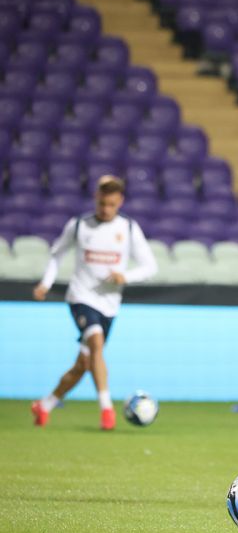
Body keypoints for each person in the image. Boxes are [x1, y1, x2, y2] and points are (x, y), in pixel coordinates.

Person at [30, 175, 157, 430]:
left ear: (120, 201)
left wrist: (126, 276)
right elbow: (56, 255)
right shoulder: (79, 225)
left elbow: (150, 266)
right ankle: (107, 410)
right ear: (95, 199)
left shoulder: (129, 228)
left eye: (111, 204)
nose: (106, 209)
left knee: (84, 364)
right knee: (96, 343)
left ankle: (44, 405)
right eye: (102, 204)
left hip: (109, 303)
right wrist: (46, 283)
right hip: (81, 297)